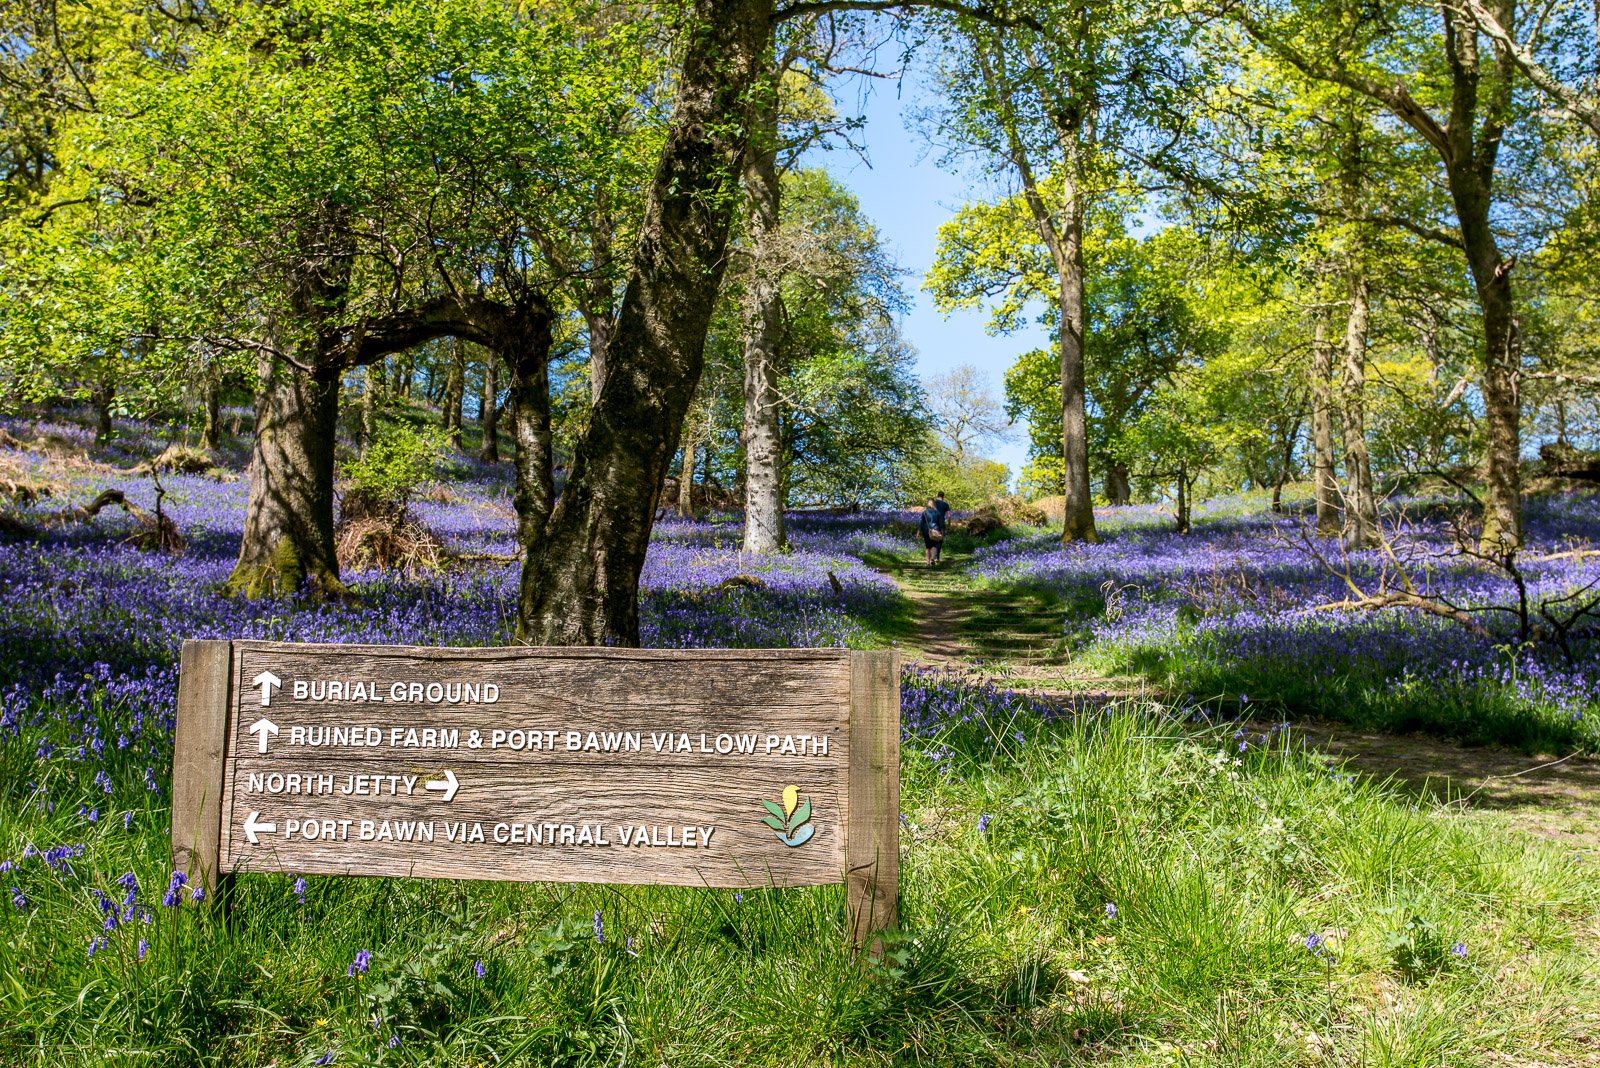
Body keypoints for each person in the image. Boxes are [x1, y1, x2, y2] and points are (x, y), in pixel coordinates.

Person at [918, 498, 944, 567]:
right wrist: (942, 531)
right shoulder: (937, 512)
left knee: (927, 547)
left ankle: (927, 563)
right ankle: (932, 558)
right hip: (935, 530)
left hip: (926, 530)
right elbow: (940, 523)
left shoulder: (925, 512)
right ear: (934, 504)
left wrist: (918, 531)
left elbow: (921, 523)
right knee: (934, 545)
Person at [932, 491, 951, 562]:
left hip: (933, 523)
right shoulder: (945, 504)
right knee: (940, 539)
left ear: (937, 495)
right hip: (941, 523)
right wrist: (949, 525)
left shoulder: (933, 503)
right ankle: (937, 557)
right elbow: (949, 515)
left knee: (933, 538)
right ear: (943, 496)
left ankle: (932, 556)